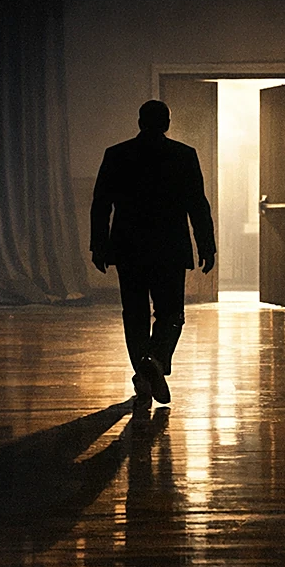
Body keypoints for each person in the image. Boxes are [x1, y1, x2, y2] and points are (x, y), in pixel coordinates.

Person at [90, 100, 216, 405]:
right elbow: (197, 205)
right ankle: (155, 363)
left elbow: (101, 204)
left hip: (128, 247)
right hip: (169, 248)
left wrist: (99, 245)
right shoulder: (184, 155)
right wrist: (206, 245)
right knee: (171, 313)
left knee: (134, 314)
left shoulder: (117, 154)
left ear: (139, 122)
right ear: (167, 123)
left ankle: (144, 376)